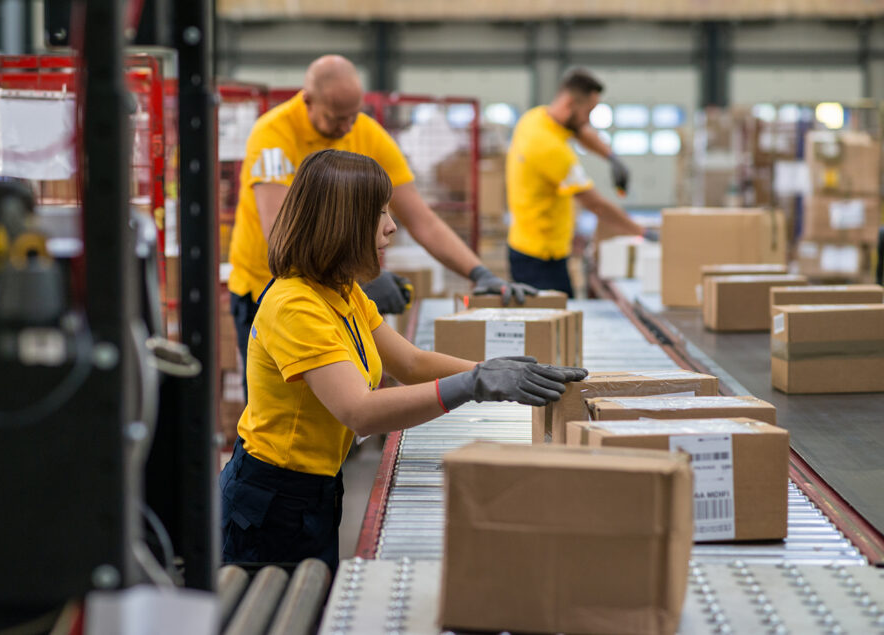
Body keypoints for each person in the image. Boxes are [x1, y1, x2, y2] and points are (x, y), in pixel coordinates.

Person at [219, 149, 587, 571]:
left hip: (315, 488)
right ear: (342, 222)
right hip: (270, 500)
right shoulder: (295, 306)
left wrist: (494, 372)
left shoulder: (342, 291)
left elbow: (408, 362)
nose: (392, 227)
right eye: (379, 214)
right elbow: (360, 412)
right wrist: (473, 386)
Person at [227, 55, 536, 396]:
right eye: (336, 118)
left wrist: (479, 274)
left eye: (353, 115)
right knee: (288, 396)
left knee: (340, 394)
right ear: (308, 100)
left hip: (334, 283)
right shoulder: (274, 134)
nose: (347, 128)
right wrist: (356, 274)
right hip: (267, 284)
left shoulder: (364, 132)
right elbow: (281, 230)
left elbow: (422, 219)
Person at [506, 67, 651, 298]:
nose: (589, 120)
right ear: (570, 103)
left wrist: (612, 158)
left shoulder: (536, 118)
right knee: (555, 325)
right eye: (589, 111)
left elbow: (581, 132)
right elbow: (596, 205)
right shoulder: (551, 149)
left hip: (529, 247)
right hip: (540, 260)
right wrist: (641, 232)